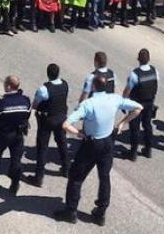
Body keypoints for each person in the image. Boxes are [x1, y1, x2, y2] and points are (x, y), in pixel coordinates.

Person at [54, 75, 142, 225]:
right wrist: (122, 124)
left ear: (94, 87)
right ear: (106, 86)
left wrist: (78, 134)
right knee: (104, 177)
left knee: (76, 178)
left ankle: (71, 211)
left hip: (91, 144)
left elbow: (66, 124)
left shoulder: (88, 104)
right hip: (108, 142)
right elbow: (138, 108)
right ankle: (100, 213)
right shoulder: (114, 99)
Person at [0, 76, 31, 196]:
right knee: (16, 160)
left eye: (5, 84)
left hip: (4, 134)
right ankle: (15, 183)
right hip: (18, 134)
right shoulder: (25, 100)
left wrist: (2, 125)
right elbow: (27, 115)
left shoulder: (2, 102)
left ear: (9, 86)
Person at [25, 64, 70, 187]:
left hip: (47, 120)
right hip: (61, 118)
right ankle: (66, 169)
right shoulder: (65, 84)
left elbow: (35, 105)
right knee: (62, 143)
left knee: (42, 147)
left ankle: (38, 178)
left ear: (48, 74)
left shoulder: (44, 89)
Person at [122, 48, 161, 159]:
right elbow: (155, 86)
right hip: (149, 103)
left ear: (138, 59)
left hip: (136, 105)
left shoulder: (135, 74)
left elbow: (127, 91)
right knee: (147, 125)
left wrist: (123, 103)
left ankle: (133, 153)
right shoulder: (155, 71)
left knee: (135, 128)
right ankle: (148, 150)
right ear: (149, 59)